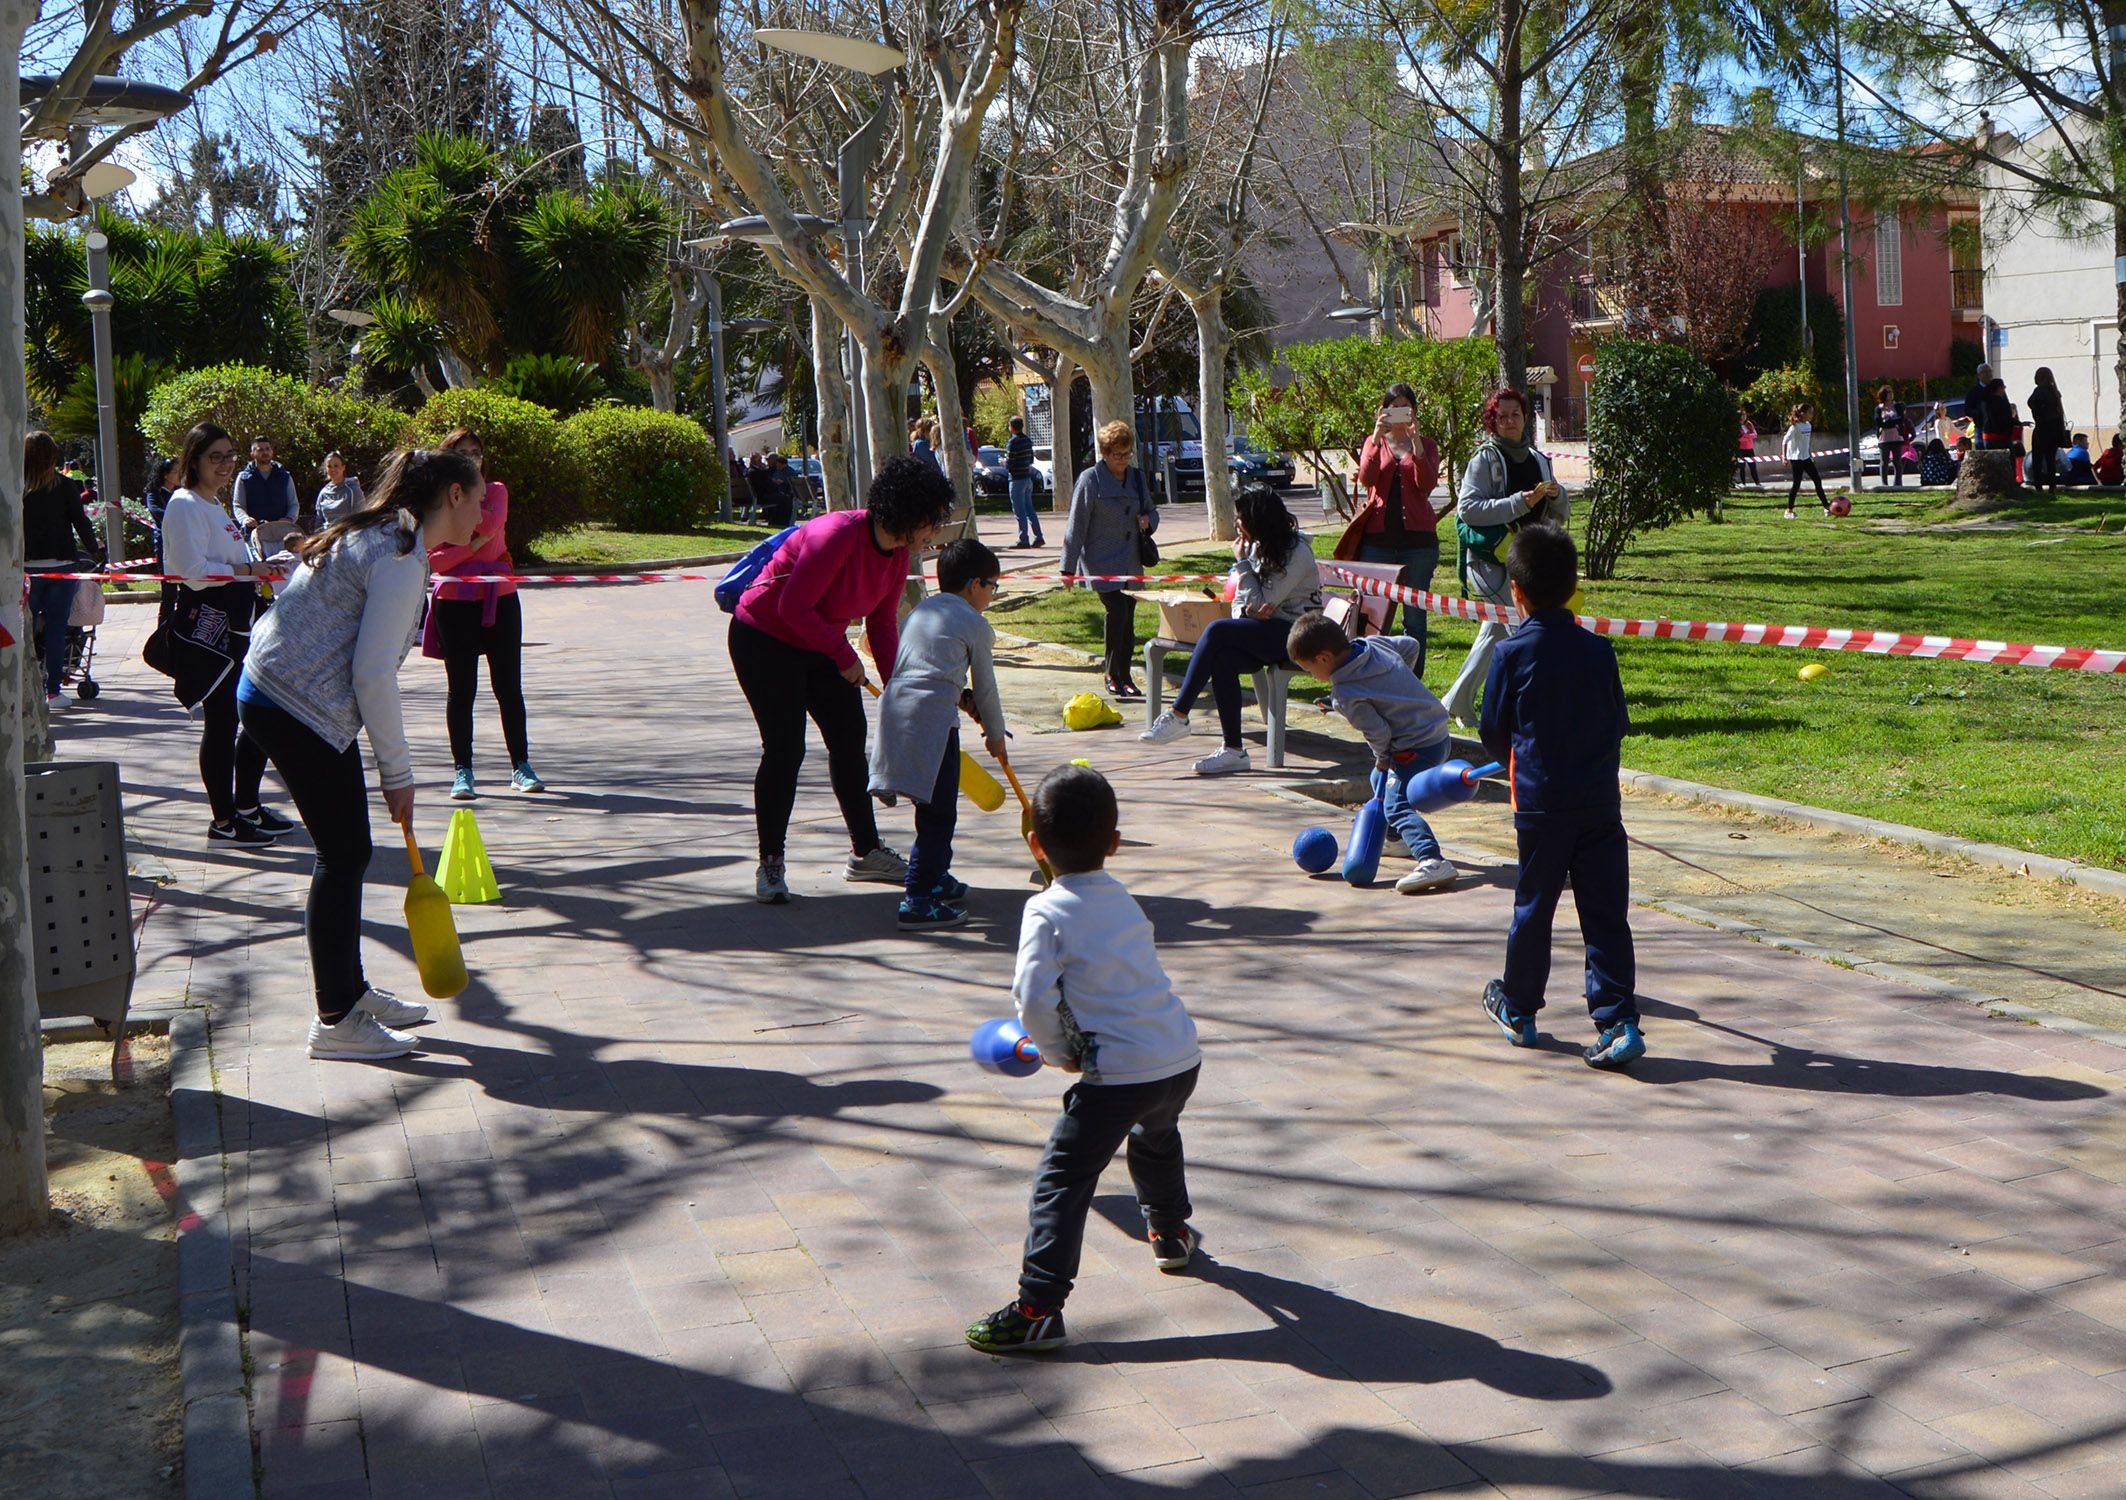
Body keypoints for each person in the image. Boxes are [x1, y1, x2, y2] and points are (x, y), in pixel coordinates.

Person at [238, 449, 487, 1061]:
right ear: (452, 495)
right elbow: (373, 674)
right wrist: (397, 773)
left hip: (290, 697)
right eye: (478, 497)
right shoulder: (399, 555)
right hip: (291, 702)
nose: (483, 511)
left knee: (347, 851)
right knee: (344, 853)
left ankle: (350, 993)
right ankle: (335, 1021)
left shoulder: (387, 535)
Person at [963, 764, 1202, 1355]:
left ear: (1034, 845)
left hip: (1116, 1074)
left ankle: (1039, 1308)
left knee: (1062, 1181)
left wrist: (1056, 1052)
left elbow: (1032, 996)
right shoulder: (1124, 898)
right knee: (1155, 1134)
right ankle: (1170, 1232)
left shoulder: (1045, 911)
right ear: (1114, 844)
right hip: (1178, 1056)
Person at [732, 453, 954, 903]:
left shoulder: (895, 557)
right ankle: (770, 863)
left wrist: (897, 688)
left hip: (817, 643)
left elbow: (883, 626)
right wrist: (843, 654)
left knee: (850, 740)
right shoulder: (837, 535)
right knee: (785, 749)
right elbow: (792, 608)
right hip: (764, 639)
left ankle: (866, 852)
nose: (933, 534)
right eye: (930, 522)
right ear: (908, 513)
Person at [1476, 524, 1643, 1070]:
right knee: (1605, 914)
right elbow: (1617, 723)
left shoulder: (1510, 654)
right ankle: (1617, 1020)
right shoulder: (1600, 651)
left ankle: (1520, 1008)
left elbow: (1492, 731)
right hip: (1598, 803)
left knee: (1534, 907)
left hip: (1541, 807)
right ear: (1574, 587)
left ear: (1516, 593)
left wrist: (1516, 765)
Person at [161, 422, 292, 845]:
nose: (224, 464)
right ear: (194, 459)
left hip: (240, 624)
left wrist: (263, 568)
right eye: (214, 457)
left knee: (255, 717)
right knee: (222, 723)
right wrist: (248, 570)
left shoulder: (213, 504)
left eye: (229, 456)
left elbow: (233, 558)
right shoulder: (184, 504)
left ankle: (247, 805)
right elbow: (192, 574)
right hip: (209, 629)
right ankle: (224, 819)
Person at [868, 538, 1006, 931]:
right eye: (992, 587)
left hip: (896, 712)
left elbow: (928, 666)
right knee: (939, 814)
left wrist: (960, 698)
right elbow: (987, 689)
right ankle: (918, 897)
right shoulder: (976, 624)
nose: (992, 596)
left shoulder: (921, 612)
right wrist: (995, 735)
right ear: (973, 585)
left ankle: (936, 876)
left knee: (930, 807)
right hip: (931, 722)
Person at [1139, 483, 1321, 775]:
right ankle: (1234, 751)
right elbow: (1243, 602)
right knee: (1222, 659)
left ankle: (1179, 714)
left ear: (1257, 517)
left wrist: (1242, 565)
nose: (1236, 522)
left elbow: (1266, 602)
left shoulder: (1296, 552)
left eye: (1240, 516)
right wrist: (1245, 609)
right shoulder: (1260, 545)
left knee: (1216, 631)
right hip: (1269, 630)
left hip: (1298, 633)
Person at [1287, 611, 1457, 894]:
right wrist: (1401, 685)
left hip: (1414, 746)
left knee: (1397, 804)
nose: (1311, 676)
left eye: (1308, 669)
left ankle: (1431, 859)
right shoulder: (1373, 645)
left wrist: (1382, 759)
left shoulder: (1345, 694)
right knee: (1380, 782)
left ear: (1324, 658)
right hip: (1437, 730)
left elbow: (1380, 734)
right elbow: (1411, 645)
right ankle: (1395, 839)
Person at [429, 428, 545, 800]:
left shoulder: (494, 490)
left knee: (509, 688)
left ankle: (521, 766)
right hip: (453, 603)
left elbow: (489, 524)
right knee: (461, 690)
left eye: (476, 452)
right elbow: (436, 560)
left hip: (500, 598)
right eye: (463, 453)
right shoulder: (436, 500)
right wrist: (475, 545)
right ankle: (463, 771)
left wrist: (462, 539)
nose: (472, 458)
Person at [1441, 389, 1566, 729]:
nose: (1510, 421)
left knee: (1497, 631)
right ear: (1492, 421)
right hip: (1490, 560)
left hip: (1526, 562)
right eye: (1502, 416)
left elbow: (1560, 513)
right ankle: (1526, 712)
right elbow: (1469, 509)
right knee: (1519, 630)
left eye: (1516, 415)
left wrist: (1557, 494)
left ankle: (1456, 702)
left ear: (1526, 418)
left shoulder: (1539, 459)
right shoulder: (1485, 458)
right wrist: (1519, 502)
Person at [1338, 382, 1445, 657]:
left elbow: (1427, 484)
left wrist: (1417, 442)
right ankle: (1373, 677)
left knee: (1415, 621)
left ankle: (1413, 687)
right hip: (1378, 544)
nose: (1399, 412)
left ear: (1414, 411)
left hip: (1418, 545)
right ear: (1383, 411)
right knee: (1374, 619)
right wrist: (1375, 437)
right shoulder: (1374, 443)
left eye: (1404, 407)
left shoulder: (1428, 445)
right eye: (1393, 408)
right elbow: (1367, 478)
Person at [1062, 419, 1158, 699]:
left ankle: (1124, 675)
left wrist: (1147, 521)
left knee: (1128, 618)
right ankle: (1110, 673)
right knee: (1117, 611)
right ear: (1104, 453)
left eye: (1127, 454)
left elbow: (1153, 512)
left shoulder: (1137, 478)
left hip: (1130, 561)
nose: (1123, 460)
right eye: (1118, 455)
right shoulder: (1090, 479)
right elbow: (1075, 525)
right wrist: (1067, 568)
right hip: (1100, 561)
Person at [23, 430, 99, 712]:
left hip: (27, 569)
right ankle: (52, 691)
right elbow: (81, 522)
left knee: (24, 630)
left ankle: (22, 687)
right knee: (57, 629)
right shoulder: (66, 486)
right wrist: (96, 552)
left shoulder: (16, 486)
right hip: (62, 567)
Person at [231, 434, 300, 547]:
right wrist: (245, 519)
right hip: (255, 534)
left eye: (267, 449)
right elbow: (238, 505)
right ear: (252, 454)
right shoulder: (243, 478)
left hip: (282, 534)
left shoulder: (285, 476)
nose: (265, 452)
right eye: (260, 450)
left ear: (272, 452)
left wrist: (288, 519)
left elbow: (293, 504)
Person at [1781, 402, 1831, 519]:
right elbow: (1784, 441)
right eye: (1810, 412)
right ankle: (1788, 510)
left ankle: (1826, 507)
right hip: (1796, 459)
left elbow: (1807, 443)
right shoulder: (1795, 427)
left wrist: (1811, 456)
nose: (1812, 415)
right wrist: (1784, 456)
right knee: (1796, 484)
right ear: (1802, 413)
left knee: (1817, 480)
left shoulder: (1808, 425)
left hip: (1806, 458)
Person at [1005, 415, 1044, 548]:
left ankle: (1024, 539)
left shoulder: (1013, 442)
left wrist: (1004, 462)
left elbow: (1009, 463)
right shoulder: (1027, 440)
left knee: (1019, 510)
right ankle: (1038, 536)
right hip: (1027, 478)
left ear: (1012, 427)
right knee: (1029, 509)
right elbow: (1031, 460)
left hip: (1016, 479)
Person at [2027, 368, 2066, 494]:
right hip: (2054, 430)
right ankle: (2052, 486)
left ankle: (2038, 486)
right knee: (2050, 460)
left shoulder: (2039, 391)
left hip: (2042, 428)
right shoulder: (2055, 392)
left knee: (2037, 459)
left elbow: (2031, 402)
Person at [314, 451, 366, 527]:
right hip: (327, 535)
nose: (333, 469)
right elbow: (319, 521)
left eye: (336, 466)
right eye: (329, 466)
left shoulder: (353, 490)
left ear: (343, 467)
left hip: (346, 534)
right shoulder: (323, 493)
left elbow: (360, 517)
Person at [1874, 386, 1909, 488]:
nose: (1891, 394)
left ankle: (1898, 483)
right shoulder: (1879, 409)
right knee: (1884, 462)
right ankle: (1884, 484)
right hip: (1884, 439)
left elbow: (1900, 419)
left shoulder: (1897, 406)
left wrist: (1887, 422)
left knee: (1897, 461)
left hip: (1896, 438)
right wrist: (1890, 422)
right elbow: (1878, 422)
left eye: (1891, 392)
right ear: (1883, 395)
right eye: (1888, 392)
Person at [757, 452, 797, 527]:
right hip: (773, 493)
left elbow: (792, 482)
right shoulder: (772, 471)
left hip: (785, 492)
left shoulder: (788, 471)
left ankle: (781, 521)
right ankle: (778, 521)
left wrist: (782, 482)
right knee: (783, 499)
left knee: (784, 499)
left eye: (769, 460)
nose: (767, 462)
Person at [1736, 414, 1760, 487]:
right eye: (1742, 415)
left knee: (1753, 466)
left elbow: (1755, 435)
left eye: (1744, 415)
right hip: (1741, 449)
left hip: (1750, 449)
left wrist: (1746, 436)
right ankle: (1743, 483)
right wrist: (1748, 436)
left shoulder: (1749, 424)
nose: (1743, 417)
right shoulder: (1737, 426)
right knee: (1742, 467)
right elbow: (1739, 438)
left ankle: (1757, 483)